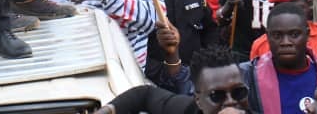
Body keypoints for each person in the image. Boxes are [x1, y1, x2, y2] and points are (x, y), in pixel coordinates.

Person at [238, 2, 317, 113]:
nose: (286, 42)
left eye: (294, 35)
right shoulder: (247, 77)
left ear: (307, 34)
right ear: (267, 36)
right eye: (277, 35)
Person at [91, 45, 251, 114]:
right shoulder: (188, 110)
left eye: (238, 92)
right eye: (217, 95)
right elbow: (146, 94)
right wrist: (107, 110)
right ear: (198, 100)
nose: (230, 102)